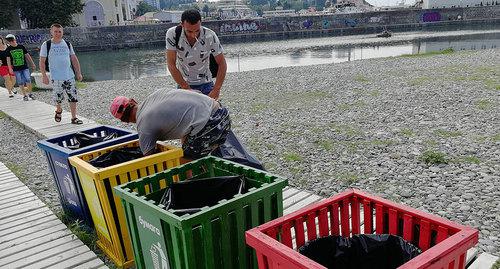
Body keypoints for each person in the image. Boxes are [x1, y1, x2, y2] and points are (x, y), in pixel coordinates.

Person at [110, 89, 231, 158]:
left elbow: (149, 159)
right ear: (133, 100)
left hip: (210, 125)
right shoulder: (156, 95)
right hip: (222, 113)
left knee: (186, 162)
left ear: (125, 121)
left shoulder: (143, 126)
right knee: (197, 153)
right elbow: (194, 93)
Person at [165, 9, 227, 100]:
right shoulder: (173, 34)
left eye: (197, 31)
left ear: (201, 23)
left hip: (206, 83)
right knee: (184, 113)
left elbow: (222, 63)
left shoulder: (210, 36)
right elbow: (171, 64)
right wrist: (186, 87)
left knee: (211, 112)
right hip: (183, 83)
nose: (193, 35)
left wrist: (216, 89)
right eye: (189, 31)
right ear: (181, 24)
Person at [39, 23, 84, 124]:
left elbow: (74, 58)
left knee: (73, 97)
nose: (58, 33)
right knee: (58, 98)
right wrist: (44, 75)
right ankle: (58, 110)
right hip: (56, 77)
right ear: (51, 32)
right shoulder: (46, 45)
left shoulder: (67, 44)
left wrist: (78, 73)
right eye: (55, 31)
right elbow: (42, 61)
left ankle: (74, 117)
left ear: (62, 32)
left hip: (69, 76)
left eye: (60, 31)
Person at [5, 34, 36, 101]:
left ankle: (30, 93)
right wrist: (10, 68)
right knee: (20, 81)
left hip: (24, 67)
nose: (11, 42)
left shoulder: (21, 47)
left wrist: (32, 64)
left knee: (28, 79)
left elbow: (27, 56)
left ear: (15, 39)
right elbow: (8, 59)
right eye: (9, 41)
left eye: (12, 40)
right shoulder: (8, 49)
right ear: (8, 42)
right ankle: (24, 95)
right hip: (16, 69)